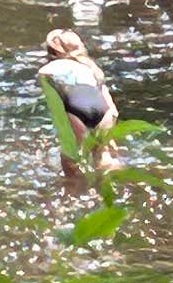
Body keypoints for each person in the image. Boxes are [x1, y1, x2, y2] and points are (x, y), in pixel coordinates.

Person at [39, 25, 118, 189]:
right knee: (104, 155)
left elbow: (62, 104)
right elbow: (113, 110)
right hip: (103, 112)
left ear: (52, 52)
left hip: (74, 110)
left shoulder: (47, 71)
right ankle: (117, 191)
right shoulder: (92, 69)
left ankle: (74, 198)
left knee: (70, 159)